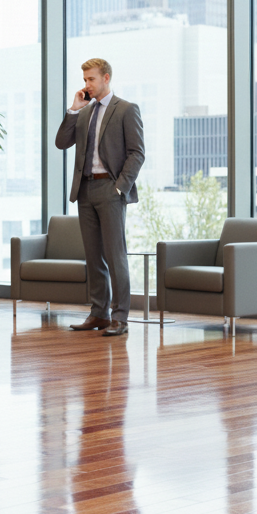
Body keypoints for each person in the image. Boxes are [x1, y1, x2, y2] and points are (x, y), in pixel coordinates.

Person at [55, 58, 145, 337]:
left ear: (106, 78)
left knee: (115, 255)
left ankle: (120, 317)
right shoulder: (83, 112)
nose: (86, 85)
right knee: (93, 256)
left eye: (91, 79)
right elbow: (61, 142)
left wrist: (120, 187)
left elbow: (137, 153)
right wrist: (73, 110)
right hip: (85, 189)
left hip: (110, 189)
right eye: (84, 80)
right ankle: (99, 314)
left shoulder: (126, 109)